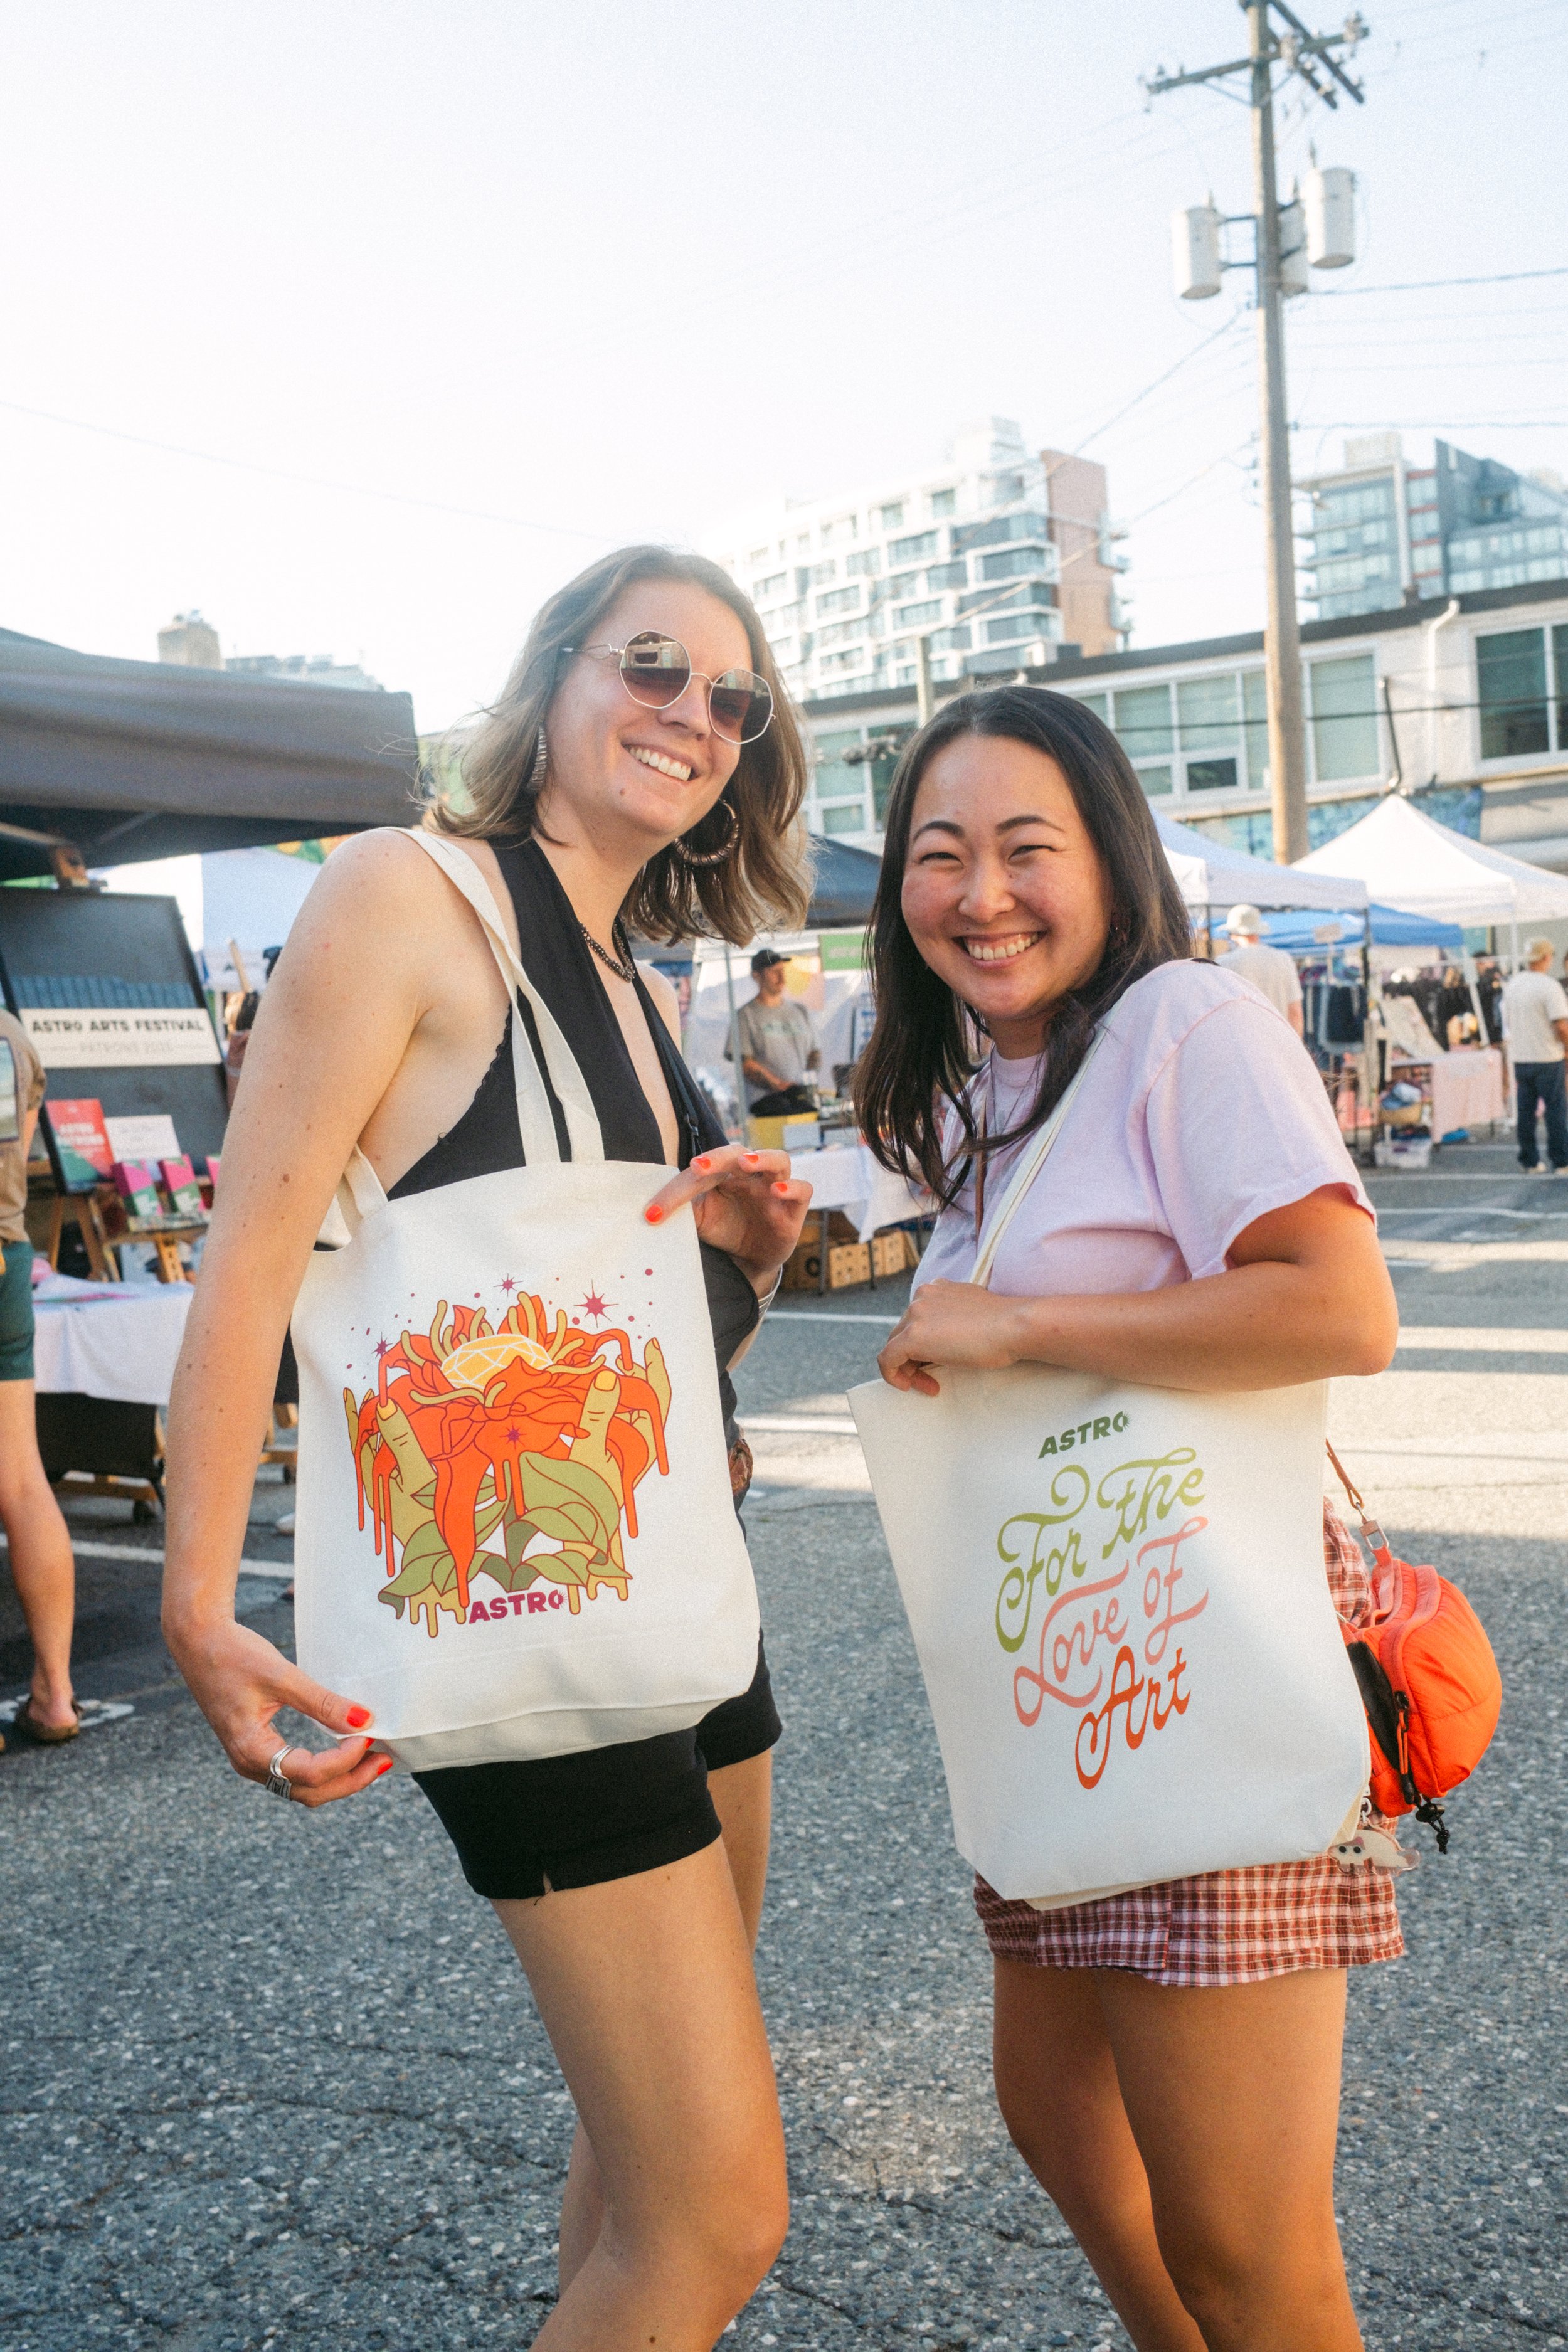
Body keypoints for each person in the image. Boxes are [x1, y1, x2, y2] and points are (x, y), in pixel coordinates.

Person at [162, 545, 817, 2352]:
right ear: (553, 677)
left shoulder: (630, 978)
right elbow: (250, 1254)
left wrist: (742, 1267)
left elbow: (610, 1347)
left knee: (649, 2156)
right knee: (718, 2211)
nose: (691, 712)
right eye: (653, 664)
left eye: (731, 697)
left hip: (674, 1586)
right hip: (517, 1607)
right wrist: (201, 1599)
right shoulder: (405, 892)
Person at [856, 687, 1401, 2352]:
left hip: (1197, 1666)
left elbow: (1338, 1305)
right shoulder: (995, 1086)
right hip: (1066, 1691)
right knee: (1057, 2112)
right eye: (938, 853)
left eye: (1026, 847)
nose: (980, 893)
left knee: (1244, 2244)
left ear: (1109, 857)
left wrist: (1019, 1326)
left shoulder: (1186, 1019)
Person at [0, 1009, 80, 1747]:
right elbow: (18, 1150)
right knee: (22, 1481)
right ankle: (56, 1692)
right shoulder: (11, 1036)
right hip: (7, 1258)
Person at [1500, 936, 1568, 1173]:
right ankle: (1561, 1160)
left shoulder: (1513, 986)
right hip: (1548, 1057)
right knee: (1556, 1111)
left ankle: (1529, 1160)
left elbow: (1507, 1022)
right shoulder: (1550, 987)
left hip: (1521, 1057)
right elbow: (1561, 1026)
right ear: (1547, 958)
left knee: (1526, 1112)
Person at [733, 947, 820, 1116]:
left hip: (802, 1098)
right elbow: (746, 1063)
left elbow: (815, 1053)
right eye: (774, 972)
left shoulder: (800, 1011)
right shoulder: (745, 1015)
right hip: (766, 1105)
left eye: (782, 970)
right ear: (757, 976)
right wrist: (779, 1085)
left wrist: (806, 1082)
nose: (781, 978)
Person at [1219, 901, 1304, 1037]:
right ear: (1258, 931)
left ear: (1233, 934)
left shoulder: (1223, 963)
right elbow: (1295, 1012)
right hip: (1281, 1040)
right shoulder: (1283, 959)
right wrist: (1297, 1045)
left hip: (1244, 1041)